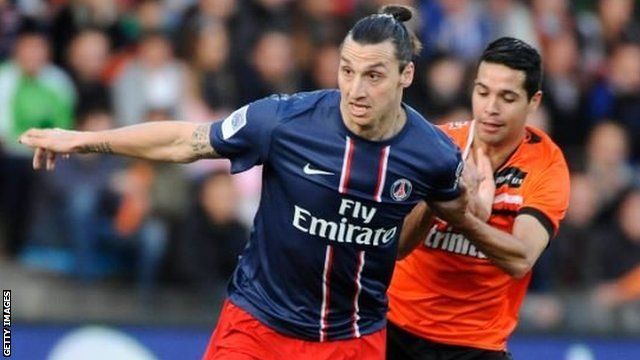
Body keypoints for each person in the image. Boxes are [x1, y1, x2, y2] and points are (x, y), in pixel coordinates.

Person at [19, 6, 467, 359]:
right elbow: (183, 141)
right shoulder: (283, 120)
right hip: (257, 329)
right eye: (347, 70)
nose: (355, 89)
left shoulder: (434, 157)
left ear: (406, 75)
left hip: (351, 339)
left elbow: (419, 231)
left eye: (374, 76)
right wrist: (83, 140)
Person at [386, 37, 570, 359]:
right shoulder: (438, 144)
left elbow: (520, 259)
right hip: (395, 328)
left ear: (534, 101)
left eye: (507, 97)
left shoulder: (548, 166)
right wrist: (439, 194)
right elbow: (398, 245)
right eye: (482, 92)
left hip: (477, 344)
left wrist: (463, 219)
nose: (490, 108)